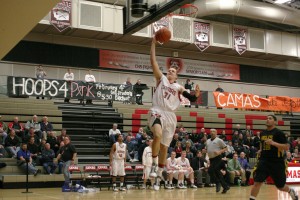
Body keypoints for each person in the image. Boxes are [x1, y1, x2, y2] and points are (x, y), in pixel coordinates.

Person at [148, 36, 200, 191]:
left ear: (176, 76)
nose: (170, 71)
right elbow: (153, 62)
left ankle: (158, 173)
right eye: (169, 70)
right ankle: (154, 165)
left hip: (170, 116)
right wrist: (153, 44)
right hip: (157, 110)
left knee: (164, 147)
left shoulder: (178, 87)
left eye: (173, 71)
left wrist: (196, 95)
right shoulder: (161, 79)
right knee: (157, 135)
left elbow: (190, 97)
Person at [249, 115, 298, 200]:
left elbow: (286, 147)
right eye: (267, 118)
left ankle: (290, 191)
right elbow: (262, 144)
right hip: (263, 161)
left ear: (275, 122)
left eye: (270, 118)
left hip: (276, 162)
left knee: (280, 186)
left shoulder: (279, 133)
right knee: (257, 182)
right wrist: (261, 150)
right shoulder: (262, 133)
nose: (267, 119)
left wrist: (273, 143)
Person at [206, 128, 230, 194]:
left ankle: (217, 182)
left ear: (216, 133)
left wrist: (219, 151)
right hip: (211, 159)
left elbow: (226, 148)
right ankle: (225, 187)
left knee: (210, 170)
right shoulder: (207, 141)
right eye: (211, 131)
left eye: (213, 131)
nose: (212, 132)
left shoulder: (219, 140)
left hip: (218, 158)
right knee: (217, 173)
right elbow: (208, 149)